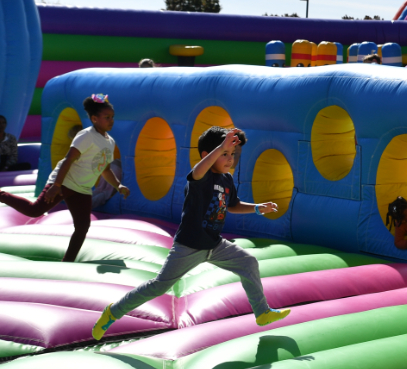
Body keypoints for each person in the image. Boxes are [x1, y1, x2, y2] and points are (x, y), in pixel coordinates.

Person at [92, 126, 291, 339]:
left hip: (214, 245)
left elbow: (233, 205)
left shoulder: (226, 180)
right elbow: (197, 172)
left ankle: (262, 312)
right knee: (159, 286)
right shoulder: (200, 178)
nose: (230, 159)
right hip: (189, 246)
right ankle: (113, 312)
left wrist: (258, 207)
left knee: (249, 262)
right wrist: (220, 148)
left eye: (232, 154)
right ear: (207, 155)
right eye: (224, 154)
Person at [0, 95, 128, 261]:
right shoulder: (86, 135)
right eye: (107, 117)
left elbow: (106, 169)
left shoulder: (109, 141)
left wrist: (118, 186)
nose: (111, 121)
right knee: (35, 210)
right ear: (94, 119)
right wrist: (57, 185)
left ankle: (68, 261)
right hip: (65, 182)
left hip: (82, 188)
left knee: (82, 227)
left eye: (112, 117)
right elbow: (69, 159)